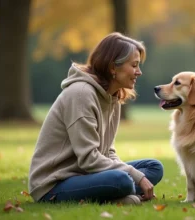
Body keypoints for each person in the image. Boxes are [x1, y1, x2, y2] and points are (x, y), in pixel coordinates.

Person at [28, 32, 164, 205]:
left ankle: (118, 195)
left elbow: (107, 152)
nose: (139, 72)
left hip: (86, 174)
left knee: (153, 168)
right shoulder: (81, 94)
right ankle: (118, 195)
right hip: (54, 184)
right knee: (121, 180)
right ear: (113, 67)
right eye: (134, 65)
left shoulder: (113, 97)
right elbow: (89, 158)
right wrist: (135, 176)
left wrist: (136, 176)